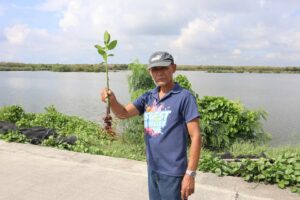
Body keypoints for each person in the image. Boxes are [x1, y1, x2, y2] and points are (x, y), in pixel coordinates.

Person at [101, 51, 202, 200]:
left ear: (173, 68)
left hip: (173, 173)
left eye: (164, 68)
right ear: (150, 72)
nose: (159, 73)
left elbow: (196, 136)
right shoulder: (148, 97)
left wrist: (190, 174)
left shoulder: (184, 97)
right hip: (153, 168)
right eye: (155, 69)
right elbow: (123, 113)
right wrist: (112, 100)